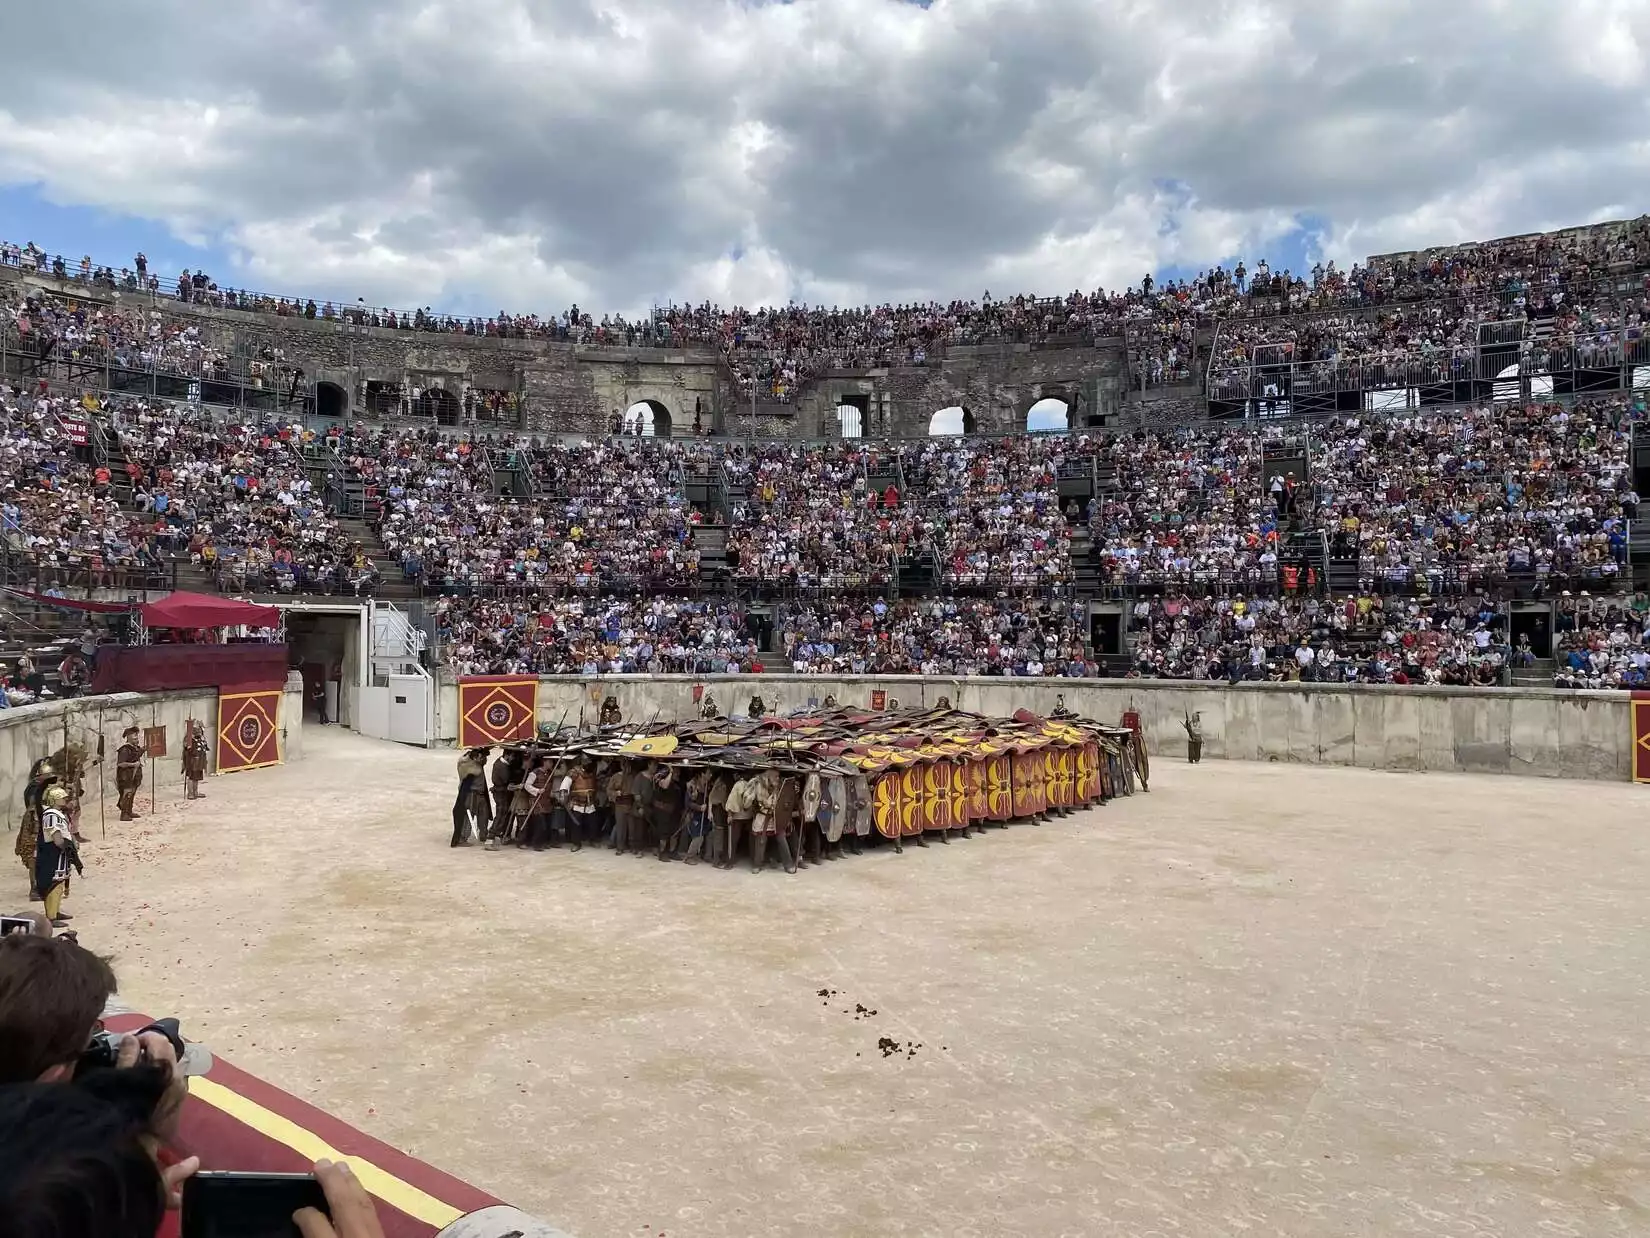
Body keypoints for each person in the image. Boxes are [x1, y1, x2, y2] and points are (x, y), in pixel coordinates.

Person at [35, 786, 81, 927]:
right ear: (55, 800)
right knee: (53, 884)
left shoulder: (58, 813)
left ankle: (55, 911)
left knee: (60, 884)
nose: (65, 800)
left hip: (61, 854)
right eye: (63, 798)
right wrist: (66, 847)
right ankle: (51, 917)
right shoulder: (51, 815)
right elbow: (56, 836)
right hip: (53, 854)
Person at [450, 748, 489, 846]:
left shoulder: (477, 763)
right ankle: (462, 838)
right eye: (481, 757)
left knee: (484, 815)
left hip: (480, 794)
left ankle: (483, 834)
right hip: (471, 794)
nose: (484, 759)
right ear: (475, 757)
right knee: (468, 817)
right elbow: (475, 770)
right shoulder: (467, 765)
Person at [115, 726, 144, 822]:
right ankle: (124, 814)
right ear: (129, 737)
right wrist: (133, 764)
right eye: (134, 737)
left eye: (137, 737)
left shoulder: (134, 748)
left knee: (132, 793)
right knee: (127, 794)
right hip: (126, 776)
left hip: (134, 776)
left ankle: (129, 811)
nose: (137, 738)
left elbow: (135, 756)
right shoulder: (124, 749)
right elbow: (121, 764)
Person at [181, 719, 210, 799]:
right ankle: (190, 793)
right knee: (191, 777)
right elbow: (187, 749)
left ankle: (195, 792)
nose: (199, 732)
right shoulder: (189, 739)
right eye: (198, 730)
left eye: (200, 730)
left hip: (199, 761)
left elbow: (205, 747)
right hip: (192, 762)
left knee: (196, 777)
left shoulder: (201, 739)